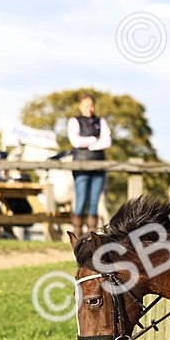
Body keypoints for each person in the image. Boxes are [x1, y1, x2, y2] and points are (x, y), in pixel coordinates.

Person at [67, 93, 112, 237]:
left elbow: (107, 142)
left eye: (92, 106)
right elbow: (76, 142)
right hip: (81, 165)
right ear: (80, 106)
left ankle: (92, 236)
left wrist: (88, 145)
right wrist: (94, 139)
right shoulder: (74, 121)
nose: (90, 109)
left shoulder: (101, 121)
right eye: (87, 106)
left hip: (98, 165)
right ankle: (77, 234)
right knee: (80, 200)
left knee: (94, 202)